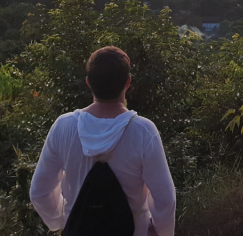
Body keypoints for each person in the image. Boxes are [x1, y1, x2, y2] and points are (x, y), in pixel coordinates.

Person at [30, 46, 176, 235]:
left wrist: (63, 220)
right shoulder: (143, 132)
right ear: (128, 83)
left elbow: (39, 192)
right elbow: (166, 200)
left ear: (89, 83)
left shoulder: (63, 127)